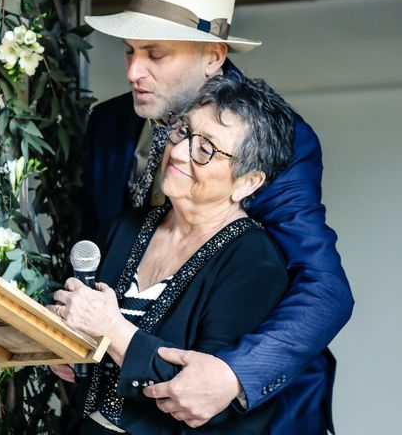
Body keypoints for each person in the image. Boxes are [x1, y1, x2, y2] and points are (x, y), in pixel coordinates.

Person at [80, 0, 354, 434]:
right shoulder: (108, 124)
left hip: (241, 414)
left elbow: (325, 288)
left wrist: (233, 375)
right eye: (128, 52)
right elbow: (94, 242)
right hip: (119, 398)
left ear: (213, 55)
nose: (133, 71)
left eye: (155, 54)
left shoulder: (280, 138)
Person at [51, 75, 295, 434]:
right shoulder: (124, 228)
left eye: (206, 149)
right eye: (183, 131)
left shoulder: (254, 264)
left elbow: (199, 395)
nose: (178, 151)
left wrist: (112, 331)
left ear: (248, 182)